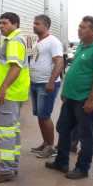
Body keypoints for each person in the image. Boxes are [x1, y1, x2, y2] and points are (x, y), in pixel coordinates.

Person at [46, 16, 93, 179]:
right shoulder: (82, 45)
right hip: (71, 98)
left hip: (84, 100)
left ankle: (82, 168)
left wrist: (91, 100)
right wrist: (65, 93)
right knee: (64, 129)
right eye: (79, 26)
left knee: (86, 135)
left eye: (83, 27)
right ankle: (62, 162)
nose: (79, 29)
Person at [0, 12, 30, 184]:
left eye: (4, 23)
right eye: (0, 23)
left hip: (10, 94)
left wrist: (3, 88)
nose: (1, 26)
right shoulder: (16, 40)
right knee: (12, 130)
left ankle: (6, 169)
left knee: (5, 131)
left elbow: (15, 68)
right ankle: (12, 165)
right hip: (15, 93)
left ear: (15, 24)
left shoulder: (14, 41)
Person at [29, 15, 64, 158]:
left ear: (46, 26)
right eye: (34, 23)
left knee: (45, 115)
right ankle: (45, 143)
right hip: (35, 83)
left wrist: (51, 82)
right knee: (40, 115)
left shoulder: (53, 42)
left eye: (37, 24)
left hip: (46, 84)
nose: (34, 26)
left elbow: (59, 62)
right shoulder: (38, 41)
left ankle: (50, 147)